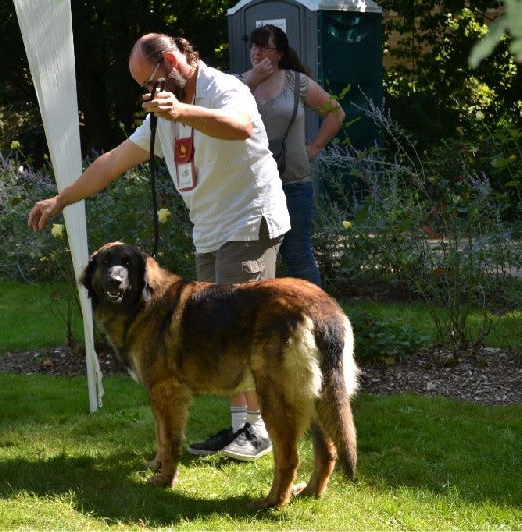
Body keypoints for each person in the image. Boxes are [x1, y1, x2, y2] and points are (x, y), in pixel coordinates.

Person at [28, 33, 290, 462]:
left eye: (149, 82)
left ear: (170, 61)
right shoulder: (160, 118)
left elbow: (240, 126)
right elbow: (112, 162)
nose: (147, 93)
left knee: (243, 328)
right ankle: (241, 426)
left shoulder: (224, 88)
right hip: (208, 228)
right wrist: (61, 199)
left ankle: (256, 430)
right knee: (221, 331)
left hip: (248, 222)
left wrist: (181, 110)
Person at [237, 25, 346, 288]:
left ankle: (320, 316)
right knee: (253, 258)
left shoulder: (297, 82)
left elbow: (336, 113)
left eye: (264, 46)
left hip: (293, 184)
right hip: (251, 188)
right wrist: (251, 78)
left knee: (297, 255)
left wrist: (314, 148)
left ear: (279, 53)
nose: (256, 51)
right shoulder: (237, 84)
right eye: (253, 45)